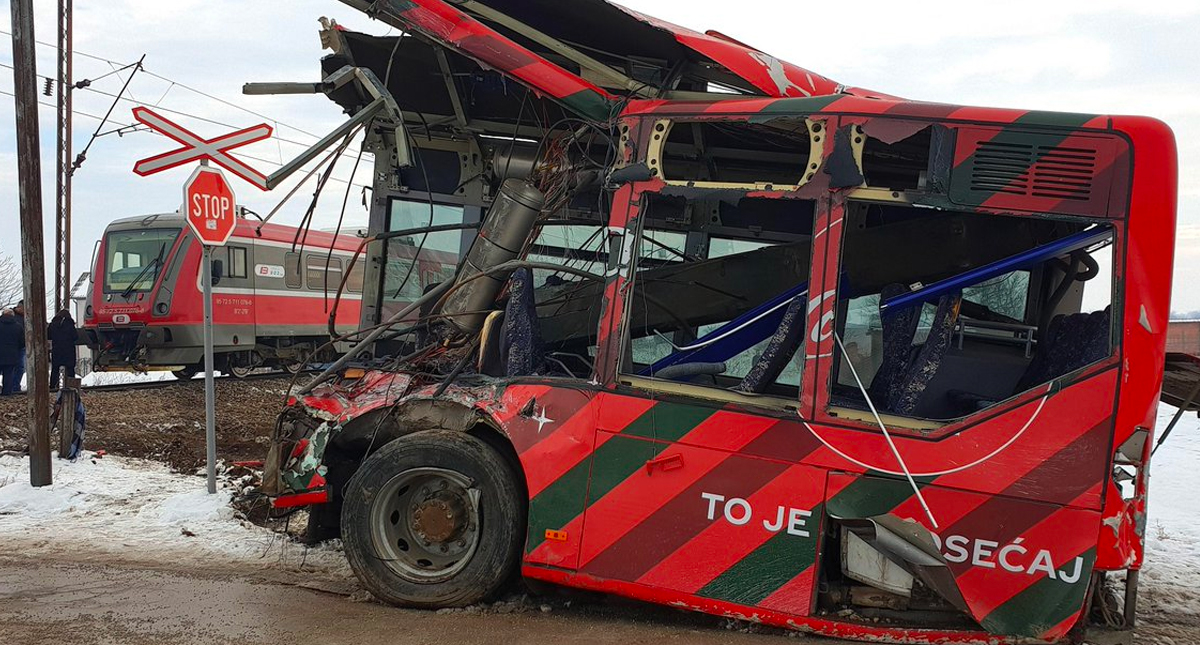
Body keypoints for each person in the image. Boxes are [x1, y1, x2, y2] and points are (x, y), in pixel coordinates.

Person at [48, 309, 79, 390]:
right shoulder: (70, 324)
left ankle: (53, 386)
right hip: (68, 350)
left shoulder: (53, 324)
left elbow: (48, 335)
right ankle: (71, 386)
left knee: (55, 369)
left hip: (57, 349)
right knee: (70, 369)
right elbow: (75, 336)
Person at [0, 309, 24, 395]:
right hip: (12, 354)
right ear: (13, 315)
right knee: (9, 374)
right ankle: (6, 393)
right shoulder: (18, 326)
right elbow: (22, 343)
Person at [12, 299, 25, 392]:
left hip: (18, 345)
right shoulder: (18, 319)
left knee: (18, 367)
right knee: (18, 367)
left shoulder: (15, 317)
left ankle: (13, 386)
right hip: (18, 346)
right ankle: (14, 386)